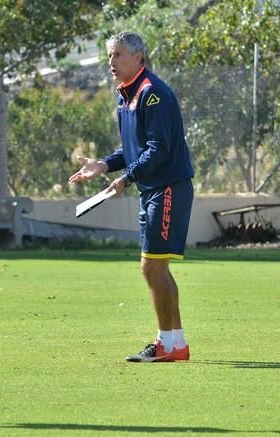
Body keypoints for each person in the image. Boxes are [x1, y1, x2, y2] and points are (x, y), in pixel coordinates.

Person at [69, 31, 195, 363]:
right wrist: (105, 165)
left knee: (151, 268)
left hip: (168, 187)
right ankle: (173, 343)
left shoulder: (152, 94)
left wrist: (126, 178)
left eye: (118, 55)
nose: (111, 61)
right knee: (157, 269)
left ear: (138, 58)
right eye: (109, 55)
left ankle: (167, 344)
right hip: (153, 190)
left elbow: (158, 149)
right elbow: (133, 149)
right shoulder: (127, 96)